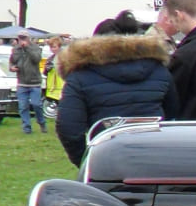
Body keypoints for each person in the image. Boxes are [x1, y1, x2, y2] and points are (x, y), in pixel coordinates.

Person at [55, 10, 178, 166]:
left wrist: (86, 161)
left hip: (106, 159)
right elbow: (172, 116)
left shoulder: (79, 76)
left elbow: (68, 128)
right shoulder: (159, 70)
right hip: (154, 158)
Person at [10, 33, 46, 133]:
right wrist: (11, 67)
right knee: (23, 106)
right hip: (21, 82)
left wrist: (27, 48)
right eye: (20, 38)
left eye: (24, 38)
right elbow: (12, 61)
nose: (22, 40)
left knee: (36, 104)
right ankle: (27, 128)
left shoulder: (35, 48)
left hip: (34, 82)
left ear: (28, 38)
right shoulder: (15, 49)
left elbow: (37, 59)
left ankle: (41, 122)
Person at [42, 36, 66, 116]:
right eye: (51, 47)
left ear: (59, 46)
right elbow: (45, 73)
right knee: (55, 113)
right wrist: (47, 68)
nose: (52, 49)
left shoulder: (65, 57)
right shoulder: (50, 58)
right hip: (52, 89)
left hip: (63, 87)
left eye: (54, 47)